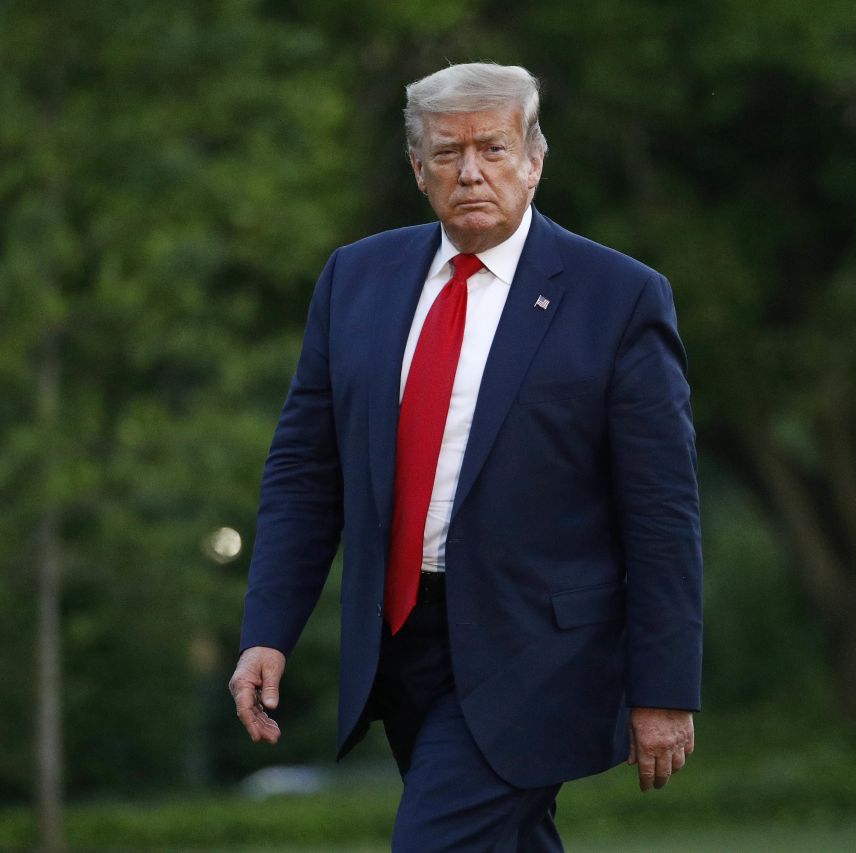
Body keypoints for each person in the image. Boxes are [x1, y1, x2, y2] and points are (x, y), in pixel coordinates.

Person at [227, 62, 703, 851]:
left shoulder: (618, 297)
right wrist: (268, 628)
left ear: (534, 159)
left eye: (493, 147)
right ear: (419, 170)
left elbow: (663, 511)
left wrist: (664, 688)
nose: (471, 171)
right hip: (400, 639)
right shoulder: (356, 279)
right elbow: (306, 474)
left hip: (538, 651)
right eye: (448, 153)